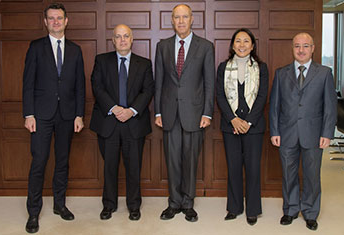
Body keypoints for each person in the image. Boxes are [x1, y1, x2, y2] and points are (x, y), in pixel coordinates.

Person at [22, 2, 85, 233]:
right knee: (39, 163)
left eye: (59, 18)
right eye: (51, 18)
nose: (56, 22)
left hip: (67, 115)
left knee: (62, 162)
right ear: (45, 22)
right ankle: (33, 212)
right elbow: (27, 84)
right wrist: (28, 114)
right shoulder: (36, 47)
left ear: (66, 21)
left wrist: (79, 114)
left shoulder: (76, 50)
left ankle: (60, 205)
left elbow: (80, 86)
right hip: (41, 115)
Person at [269, 32, 337, 231]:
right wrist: (274, 131)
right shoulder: (281, 73)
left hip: (314, 134)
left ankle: (310, 212)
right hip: (287, 132)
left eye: (305, 46)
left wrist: (327, 133)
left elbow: (330, 107)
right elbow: (274, 105)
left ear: (313, 48)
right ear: (292, 49)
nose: (301, 50)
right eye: (297, 46)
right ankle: (290, 210)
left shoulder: (324, 73)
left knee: (312, 175)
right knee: (288, 174)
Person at [154, 4, 215, 222]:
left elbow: (209, 83)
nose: (181, 21)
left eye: (185, 17)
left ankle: (188, 204)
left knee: (190, 160)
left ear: (192, 20)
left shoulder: (206, 47)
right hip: (169, 113)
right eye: (177, 17)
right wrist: (158, 111)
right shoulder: (162, 46)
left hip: (195, 113)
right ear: (172, 20)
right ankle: (173, 203)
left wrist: (207, 113)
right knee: (172, 160)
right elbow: (158, 82)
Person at [89, 24, 154, 221]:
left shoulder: (144, 63)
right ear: (113, 40)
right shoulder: (102, 60)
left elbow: (148, 90)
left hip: (134, 123)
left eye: (126, 36)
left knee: (134, 167)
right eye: (118, 36)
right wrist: (115, 109)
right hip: (108, 121)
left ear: (132, 39)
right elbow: (97, 86)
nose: (123, 40)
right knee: (109, 166)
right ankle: (108, 204)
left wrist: (131, 111)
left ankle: (134, 206)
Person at [216, 28, 268, 225]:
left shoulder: (261, 68)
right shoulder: (223, 67)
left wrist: (248, 122)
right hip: (231, 126)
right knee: (233, 167)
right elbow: (220, 95)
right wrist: (233, 120)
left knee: (253, 169)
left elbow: (262, 96)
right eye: (238, 41)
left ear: (253, 45)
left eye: (246, 41)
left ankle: (252, 210)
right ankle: (234, 207)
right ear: (232, 45)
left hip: (253, 127)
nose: (242, 45)